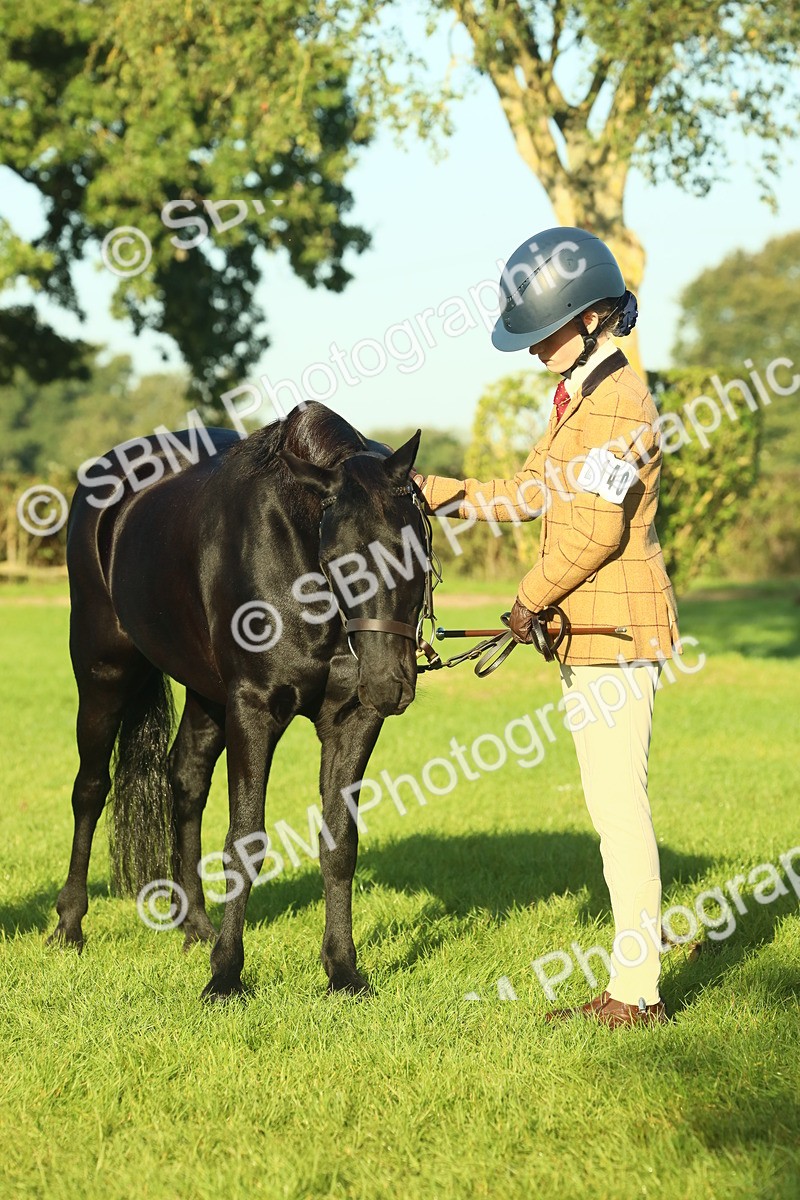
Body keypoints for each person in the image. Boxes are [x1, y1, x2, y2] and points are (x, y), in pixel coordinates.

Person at [412, 227, 681, 1028]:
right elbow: (531, 490)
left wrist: (528, 597)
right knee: (611, 807)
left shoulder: (621, 404)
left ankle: (637, 995)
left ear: (593, 315)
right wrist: (436, 491)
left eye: (542, 332)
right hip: (590, 632)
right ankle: (636, 982)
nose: (532, 350)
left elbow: (596, 530)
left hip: (616, 632)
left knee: (617, 810)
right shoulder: (579, 400)